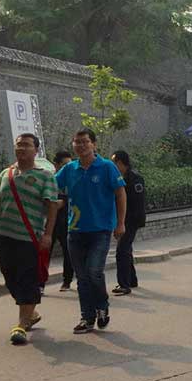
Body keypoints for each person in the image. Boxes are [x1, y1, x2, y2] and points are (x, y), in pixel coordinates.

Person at [0, 133, 59, 345]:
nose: (21, 148)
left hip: (30, 239)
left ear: (36, 150)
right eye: (19, 145)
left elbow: (52, 206)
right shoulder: (6, 173)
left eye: (26, 145)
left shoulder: (45, 176)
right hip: (4, 236)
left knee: (27, 279)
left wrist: (48, 234)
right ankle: (31, 313)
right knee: (9, 276)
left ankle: (21, 325)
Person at [55, 129, 127, 334]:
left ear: (93, 144)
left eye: (85, 142)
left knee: (94, 272)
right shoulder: (69, 169)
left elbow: (120, 194)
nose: (81, 145)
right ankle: (87, 317)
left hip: (100, 230)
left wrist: (120, 222)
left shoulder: (106, 167)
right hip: (76, 231)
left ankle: (102, 306)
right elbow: (51, 187)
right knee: (82, 277)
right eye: (77, 142)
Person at [110, 150, 146, 295]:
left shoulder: (135, 179)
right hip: (122, 219)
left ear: (121, 163)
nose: (112, 165)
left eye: (114, 162)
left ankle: (124, 284)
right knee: (126, 249)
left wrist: (122, 223)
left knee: (122, 251)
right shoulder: (117, 178)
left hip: (131, 220)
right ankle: (132, 279)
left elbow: (137, 203)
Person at [51, 150, 76, 292]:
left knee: (68, 252)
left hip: (67, 220)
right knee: (44, 251)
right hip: (51, 221)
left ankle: (67, 281)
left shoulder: (72, 180)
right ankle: (40, 283)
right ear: (57, 165)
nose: (69, 167)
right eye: (65, 165)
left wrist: (64, 202)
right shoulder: (50, 179)